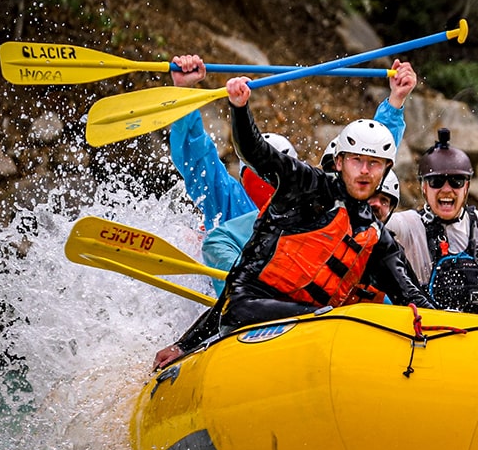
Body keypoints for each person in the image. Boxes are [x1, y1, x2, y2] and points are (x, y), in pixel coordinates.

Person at [152, 81, 434, 369]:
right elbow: (256, 151)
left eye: (374, 164)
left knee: (346, 317)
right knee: (333, 316)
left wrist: (455, 326)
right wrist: (239, 108)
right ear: (339, 162)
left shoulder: (374, 236)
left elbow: (411, 295)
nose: (364, 171)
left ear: (386, 169)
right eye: (356, 161)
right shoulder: (301, 185)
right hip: (249, 310)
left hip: (311, 325)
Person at [168, 54, 414, 291]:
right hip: (240, 302)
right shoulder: (231, 202)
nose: (267, 180)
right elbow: (197, 159)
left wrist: (395, 103)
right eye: (257, 173)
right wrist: (184, 92)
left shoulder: (316, 200)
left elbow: (368, 159)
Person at [386, 128, 478, 320]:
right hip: (424, 335)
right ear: (423, 187)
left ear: (467, 186)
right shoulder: (406, 227)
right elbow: (368, 222)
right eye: (436, 181)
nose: (446, 190)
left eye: (456, 181)